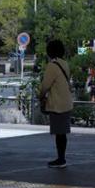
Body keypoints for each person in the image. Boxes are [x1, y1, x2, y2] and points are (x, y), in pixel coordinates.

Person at [39, 39, 73, 168]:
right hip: (66, 102)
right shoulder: (64, 63)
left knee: (59, 133)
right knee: (62, 133)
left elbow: (45, 86)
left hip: (57, 104)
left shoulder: (52, 66)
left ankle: (61, 159)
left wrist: (40, 96)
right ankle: (61, 158)